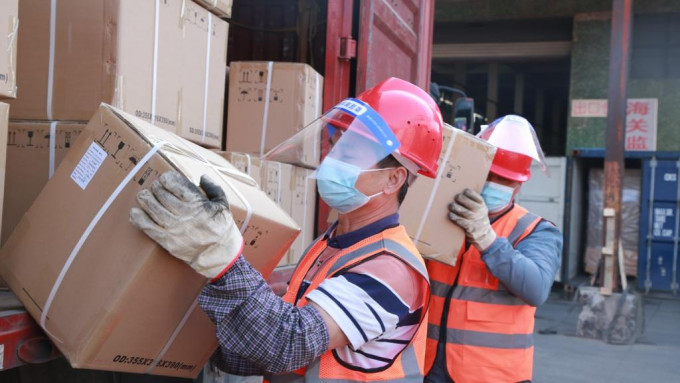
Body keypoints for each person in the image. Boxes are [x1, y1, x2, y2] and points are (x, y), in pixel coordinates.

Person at [129, 77, 444, 382]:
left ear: (393, 179)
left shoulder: (391, 270)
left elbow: (289, 345)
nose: (332, 161)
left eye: (349, 155)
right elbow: (279, 348)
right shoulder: (334, 242)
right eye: (334, 148)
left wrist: (221, 256)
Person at [423, 115, 563, 383]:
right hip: (432, 367)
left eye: (504, 179)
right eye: (490, 175)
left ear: (519, 185)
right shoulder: (444, 215)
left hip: (494, 374)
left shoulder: (536, 230)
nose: (494, 183)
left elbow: (536, 288)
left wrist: (487, 238)